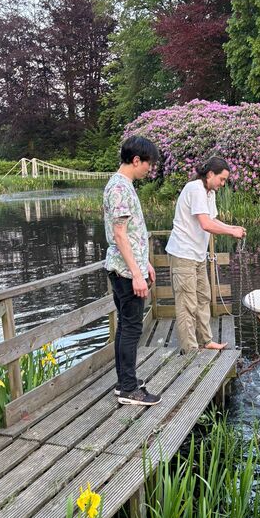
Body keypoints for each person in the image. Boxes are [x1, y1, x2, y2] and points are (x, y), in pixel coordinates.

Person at [166, 156, 246, 354]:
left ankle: (206, 341)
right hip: (183, 254)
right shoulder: (195, 189)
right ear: (210, 174)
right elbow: (206, 224)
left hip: (198, 255)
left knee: (203, 298)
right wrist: (231, 232)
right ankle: (190, 350)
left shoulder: (209, 192)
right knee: (187, 304)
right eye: (222, 179)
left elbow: (213, 219)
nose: (223, 183)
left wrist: (233, 227)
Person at [104, 135, 161, 406]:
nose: (150, 169)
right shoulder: (119, 188)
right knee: (131, 329)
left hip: (128, 268)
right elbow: (119, 235)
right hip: (125, 273)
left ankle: (123, 382)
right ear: (136, 160)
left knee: (125, 327)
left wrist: (145, 262)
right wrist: (136, 274)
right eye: (148, 164)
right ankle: (128, 389)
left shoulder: (124, 185)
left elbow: (133, 234)